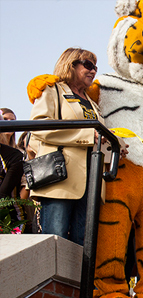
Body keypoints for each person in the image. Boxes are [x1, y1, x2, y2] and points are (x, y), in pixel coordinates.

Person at [29, 48, 106, 245]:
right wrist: (87, 135)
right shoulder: (52, 89)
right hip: (60, 178)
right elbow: (39, 127)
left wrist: (115, 145)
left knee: (83, 245)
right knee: (56, 241)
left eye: (95, 67)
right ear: (70, 64)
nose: (93, 71)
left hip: (91, 180)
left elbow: (98, 135)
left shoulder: (92, 102)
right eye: (88, 65)